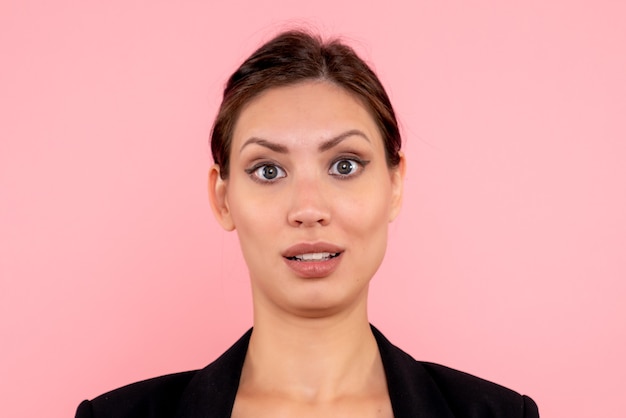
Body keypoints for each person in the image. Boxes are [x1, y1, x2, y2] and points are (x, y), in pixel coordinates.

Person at [75, 29, 539, 418]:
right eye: (268, 170)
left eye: (345, 165)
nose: (308, 208)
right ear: (223, 200)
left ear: (395, 185)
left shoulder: (499, 414)